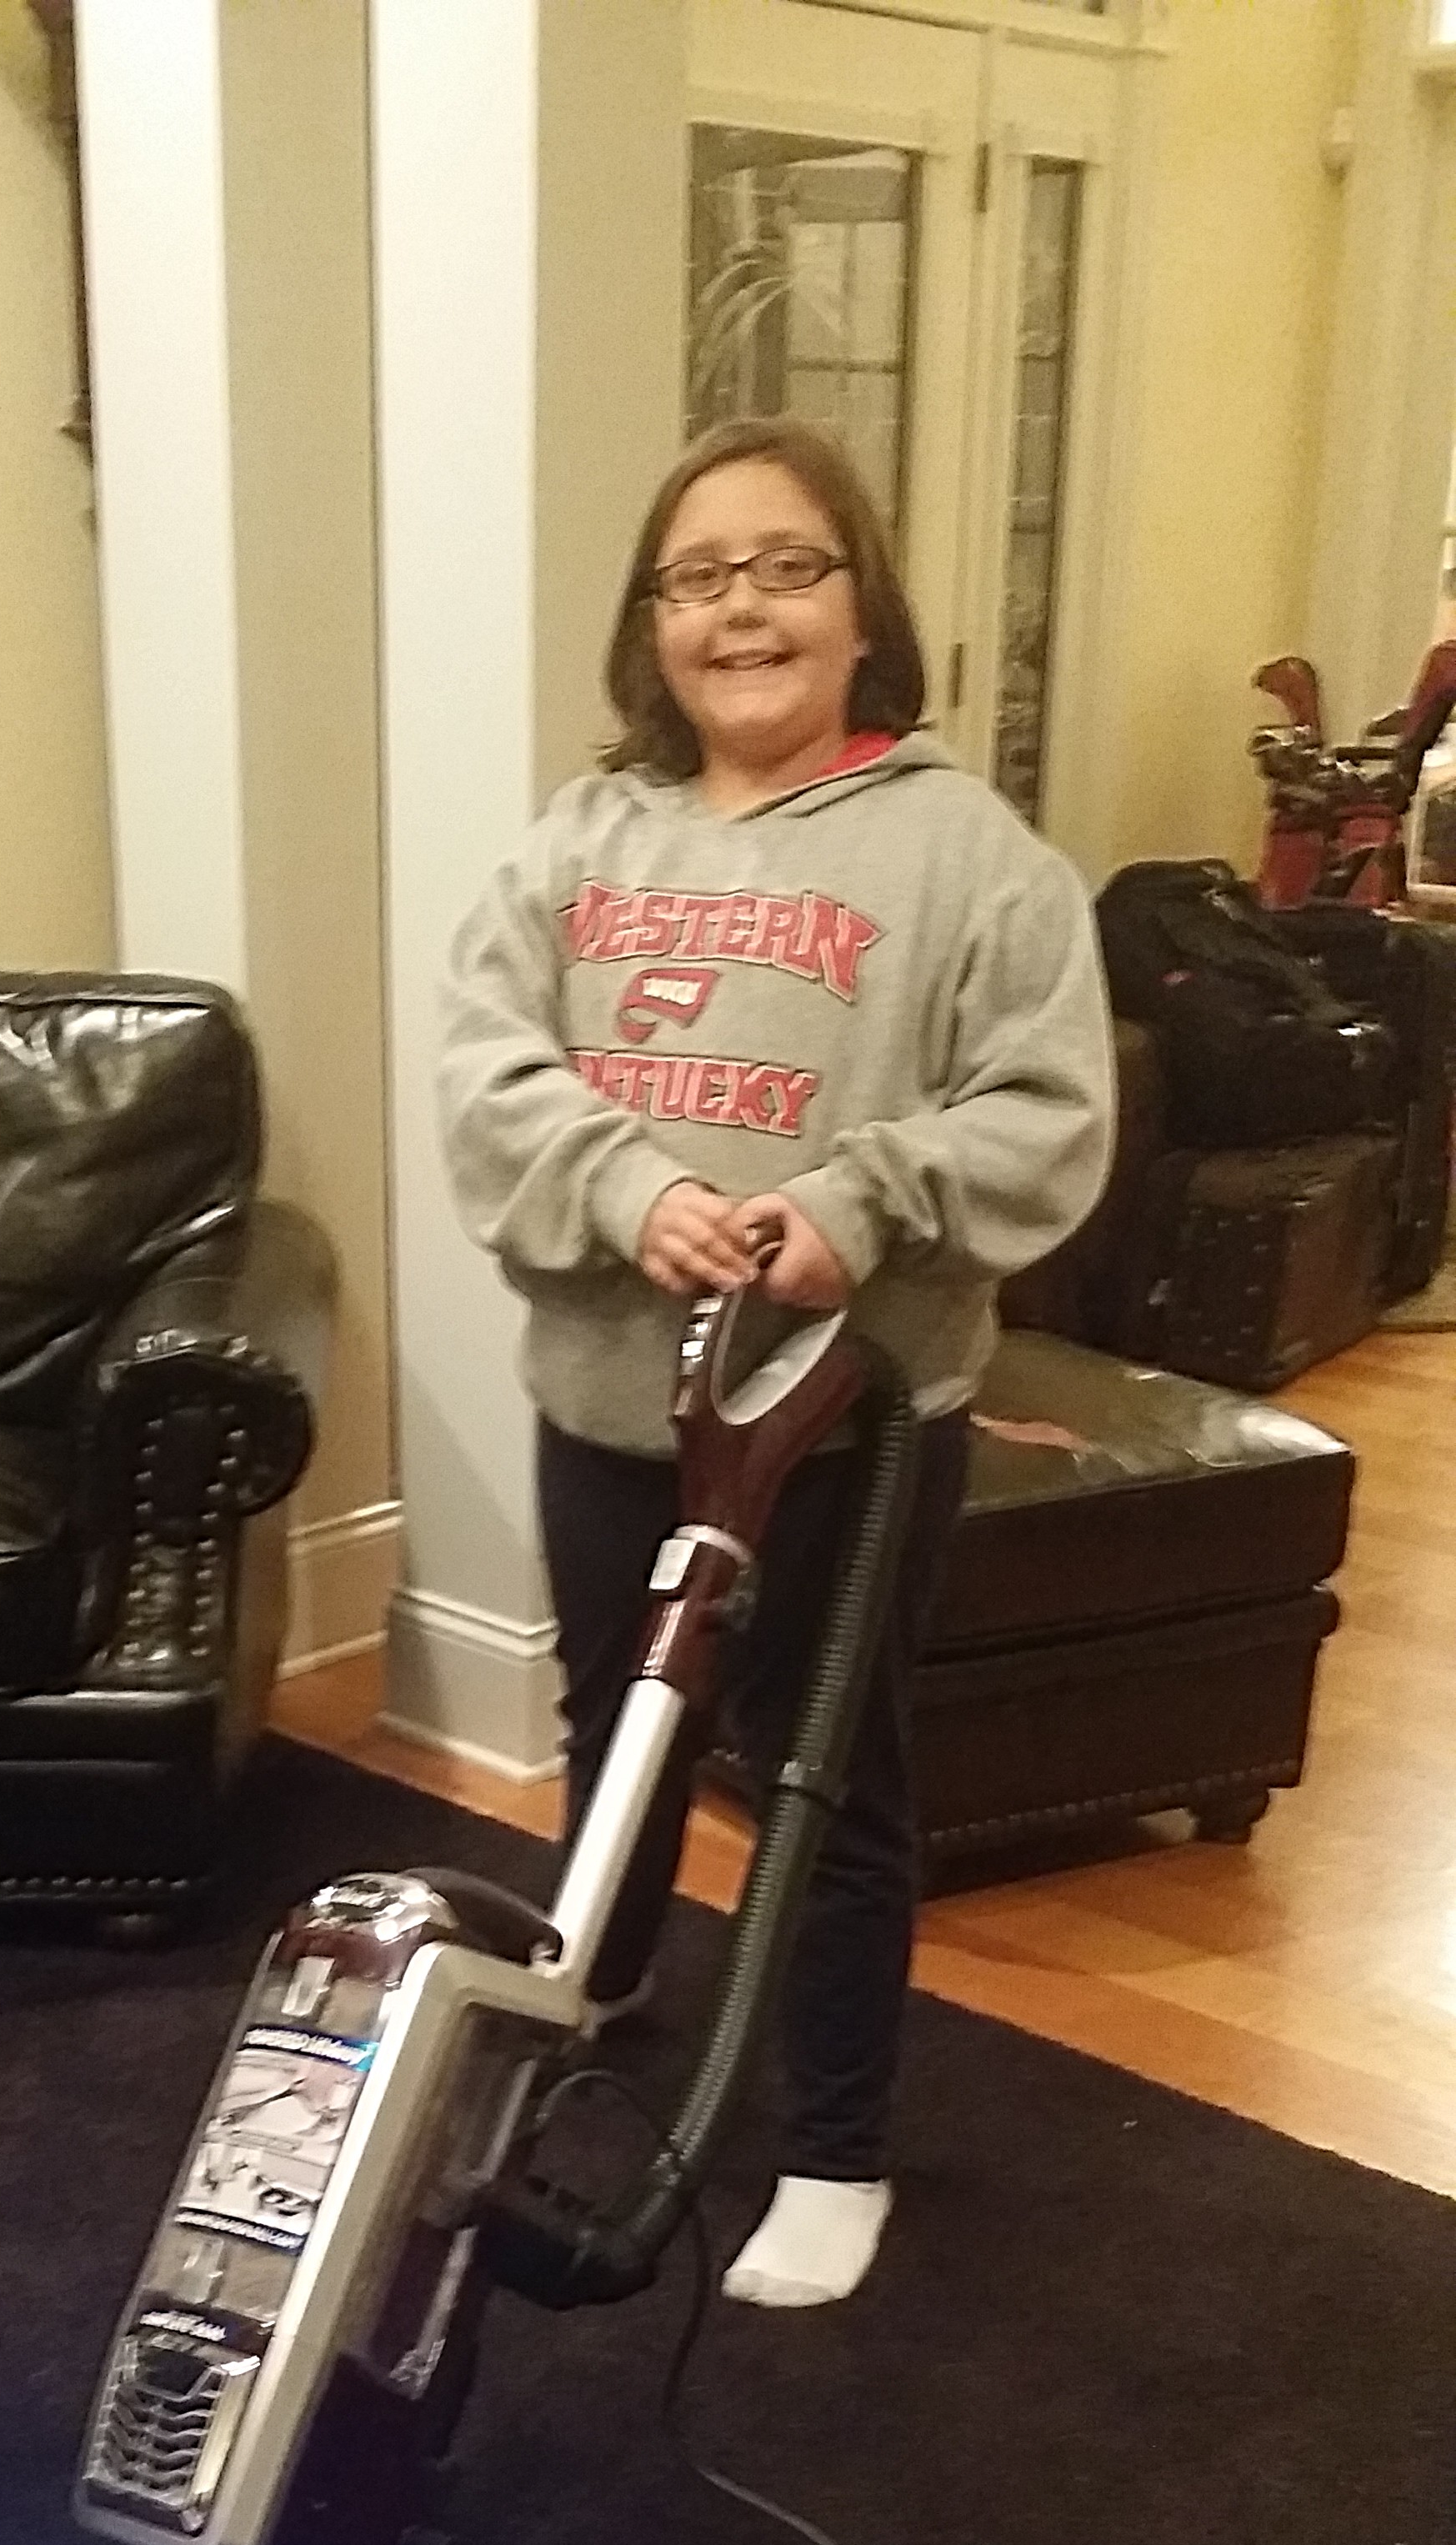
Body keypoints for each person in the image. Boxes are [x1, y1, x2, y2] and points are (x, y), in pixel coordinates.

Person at [437, 414, 1113, 2307]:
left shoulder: (972, 858)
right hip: (608, 1403)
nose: (740, 610)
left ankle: (832, 2145)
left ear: (860, 604)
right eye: (697, 578)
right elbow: (487, 1072)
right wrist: (628, 1184)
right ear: (651, 624)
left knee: (825, 1780)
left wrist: (859, 1204)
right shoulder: (580, 839)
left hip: (843, 1430)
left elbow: (1048, 1116)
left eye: (786, 567)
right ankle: (598, 1982)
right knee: (618, 1725)